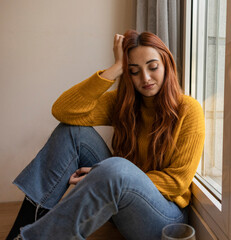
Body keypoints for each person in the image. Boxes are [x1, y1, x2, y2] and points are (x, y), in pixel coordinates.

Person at [6, 29, 205, 240]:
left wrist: (103, 178)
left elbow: (177, 182)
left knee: (115, 168)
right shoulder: (124, 104)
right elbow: (62, 111)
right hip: (120, 202)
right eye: (134, 71)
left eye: (153, 67)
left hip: (164, 217)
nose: (145, 77)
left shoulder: (188, 110)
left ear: (167, 65)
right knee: (72, 132)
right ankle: (21, 230)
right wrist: (115, 68)